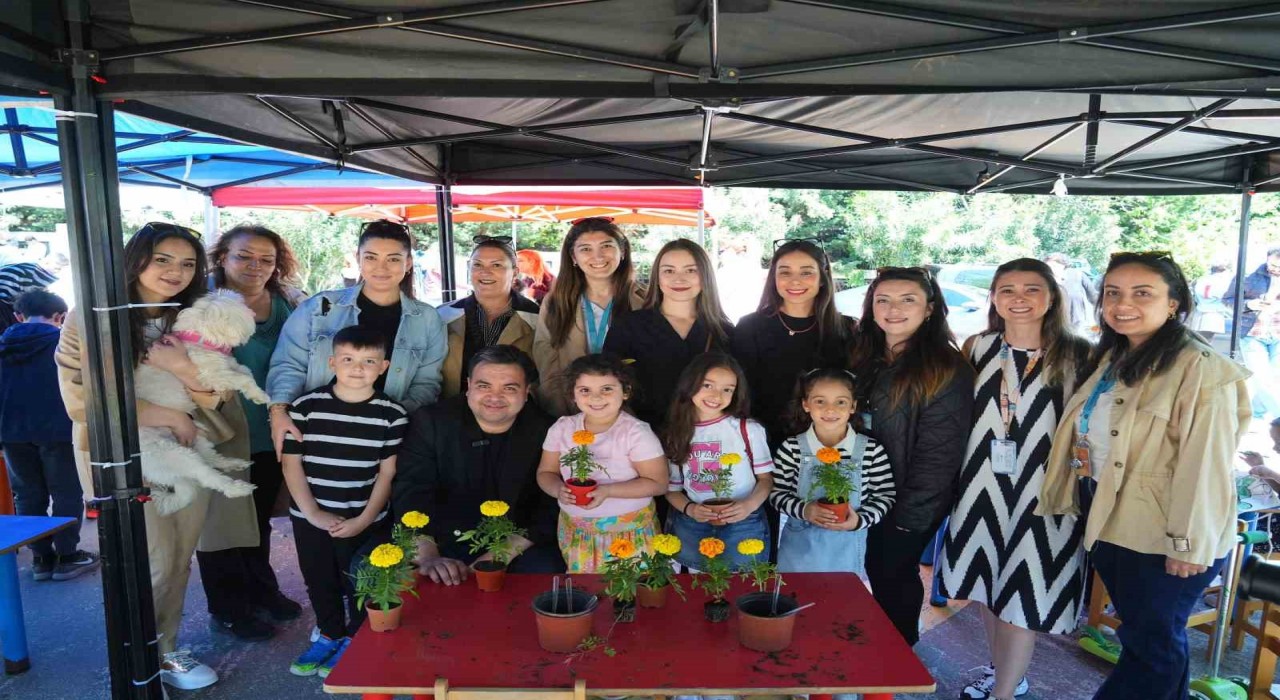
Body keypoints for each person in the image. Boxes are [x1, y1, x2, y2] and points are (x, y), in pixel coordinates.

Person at [56, 222, 259, 690]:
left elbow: (219, 396)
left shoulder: (194, 318)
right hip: (122, 458)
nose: (175, 272)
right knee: (148, 558)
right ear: (136, 260)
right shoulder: (91, 318)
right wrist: (165, 413)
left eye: (187, 263)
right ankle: (133, 656)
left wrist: (184, 369)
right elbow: (79, 399)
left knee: (178, 556)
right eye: (163, 259)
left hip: (191, 452)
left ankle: (164, 649)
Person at [1038, 251, 1250, 700]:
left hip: (1165, 528)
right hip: (1111, 513)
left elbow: (1207, 464)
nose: (1122, 303)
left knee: (1152, 645)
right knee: (1148, 637)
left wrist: (1188, 543)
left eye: (1142, 293)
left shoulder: (1200, 367)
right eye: (1113, 293)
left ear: (1173, 303)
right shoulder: (1117, 355)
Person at [938, 259, 1092, 700]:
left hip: (1044, 491)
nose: (1018, 299)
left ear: (1052, 298)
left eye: (1031, 289)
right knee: (986, 586)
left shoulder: (1078, 354)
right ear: (993, 297)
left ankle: (1003, 694)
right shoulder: (978, 346)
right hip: (980, 485)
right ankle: (1003, 673)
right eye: (1007, 289)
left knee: (1023, 594)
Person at [849, 265, 975, 646]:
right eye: (883, 300)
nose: (893, 309)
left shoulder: (944, 368)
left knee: (892, 574)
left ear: (930, 308)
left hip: (908, 500)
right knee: (867, 570)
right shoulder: (862, 355)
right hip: (863, 491)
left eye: (908, 300)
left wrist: (909, 518)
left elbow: (939, 456)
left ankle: (899, 653)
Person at [194, 224, 307, 641]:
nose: (255, 265)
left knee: (257, 521)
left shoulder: (289, 303)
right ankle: (227, 607)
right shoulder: (198, 303)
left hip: (271, 429)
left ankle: (262, 590)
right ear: (222, 256)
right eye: (244, 256)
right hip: (220, 431)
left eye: (266, 258)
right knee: (221, 526)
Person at [281, 325, 407, 679]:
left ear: (383, 367)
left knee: (358, 578)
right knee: (318, 578)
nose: (357, 368)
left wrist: (365, 519)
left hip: (363, 516)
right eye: (349, 359)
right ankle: (329, 633)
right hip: (310, 517)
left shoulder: (392, 414)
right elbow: (291, 464)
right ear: (333, 362)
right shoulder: (305, 407)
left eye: (368, 361)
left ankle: (355, 637)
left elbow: (387, 473)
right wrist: (313, 513)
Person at [268, 219, 446, 456]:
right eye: (371, 257)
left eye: (393, 259)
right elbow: (289, 364)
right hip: (315, 430)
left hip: (389, 439)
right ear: (358, 258)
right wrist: (280, 411)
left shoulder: (427, 318)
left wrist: (389, 421)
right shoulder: (320, 308)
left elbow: (426, 383)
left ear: (409, 263)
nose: (381, 268)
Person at [393, 345, 564, 584]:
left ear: (526, 392)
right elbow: (411, 489)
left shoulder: (549, 431)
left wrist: (496, 557)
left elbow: (550, 507)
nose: (495, 397)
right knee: (374, 568)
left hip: (515, 544)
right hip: (440, 541)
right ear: (468, 386)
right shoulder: (431, 422)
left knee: (546, 571)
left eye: (509, 388)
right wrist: (428, 557)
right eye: (484, 386)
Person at [536, 354, 667, 572]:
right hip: (578, 532)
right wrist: (558, 489)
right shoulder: (561, 428)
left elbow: (658, 483)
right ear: (572, 395)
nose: (596, 397)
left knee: (630, 594)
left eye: (607, 389)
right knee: (587, 592)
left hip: (630, 533)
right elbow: (545, 472)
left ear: (625, 392)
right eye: (585, 390)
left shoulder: (636, 433)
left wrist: (607, 491)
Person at [0, 289, 98, 580]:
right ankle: (68, 556)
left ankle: (41, 560)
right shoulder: (62, 344)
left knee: (28, 494)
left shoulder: (2, 345)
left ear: (19, 316)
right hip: (58, 429)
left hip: (13, 433)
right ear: (60, 317)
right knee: (66, 492)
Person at [769, 367, 895, 577]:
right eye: (820, 401)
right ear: (805, 404)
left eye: (841, 402)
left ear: (853, 406)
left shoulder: (871, 449)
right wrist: (805, 510)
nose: (830, 409)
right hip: (798, 554)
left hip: (847, 552)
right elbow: (776, 494)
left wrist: (859, 520)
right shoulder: (791, 448)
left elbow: (885, 496)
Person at [731, 239, 855, 449]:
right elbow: (737, 394)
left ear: (823, 278)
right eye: (785, 272)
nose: (795, 281)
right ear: (774, 278)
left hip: (827, 446)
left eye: (806, 272)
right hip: (760, 445)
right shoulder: (749, 327)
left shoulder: (846, 329)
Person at [605, 239, 734, 431]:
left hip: (706, 440)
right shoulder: (629, 325)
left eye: (691, 270)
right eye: (669, 270)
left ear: (705, 276)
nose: (679, 279)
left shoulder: (724, 331)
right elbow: (607, 382)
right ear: (657, 277)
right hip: (641, 437)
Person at [662, 352, 774, 570]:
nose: (717, 395)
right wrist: (690, 509)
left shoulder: (747, 429)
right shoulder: (675, 434)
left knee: (742, 584)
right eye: (707, 385)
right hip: (695, 523)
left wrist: (748, 506)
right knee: (698, 585)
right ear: (690, 383)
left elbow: (766, 480)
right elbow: (671, 490)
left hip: (744, 521)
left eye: (727, 389)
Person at [532, 217, 644, 416]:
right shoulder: (556, 302)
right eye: (585, 249)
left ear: (623, 251)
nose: (598, 256)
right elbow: (546, 359)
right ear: (573, 257)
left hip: (633, 412)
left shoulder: (645, 300)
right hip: (571, 410)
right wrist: (564, 412)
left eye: (606, 246)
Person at [437, 236, 540, 399]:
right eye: (477, 264)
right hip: (453, 413)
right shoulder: (442, 316)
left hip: (517, 415)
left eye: (497, 265)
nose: (485, 272)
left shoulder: (538, 319)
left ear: (514, 272)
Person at [1225, 246, 1280, 421]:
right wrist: (1250, 305)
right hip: (1253, 334)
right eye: (1273, 265)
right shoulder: (1248, 275)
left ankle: (1256, 414)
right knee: (1262, 377)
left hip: (1277, 334)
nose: (1275, 269)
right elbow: (1227, 300)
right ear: (1267, 259)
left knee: (1272, 379)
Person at [1044, 253, 1099, 333]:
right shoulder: (1043, 280)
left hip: (1076, 322)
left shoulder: (1078, 275)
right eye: (1047, 267)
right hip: (1052, 322)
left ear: (1063, 265)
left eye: (1054, 266)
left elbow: (1093, 296)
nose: (1051, 269)